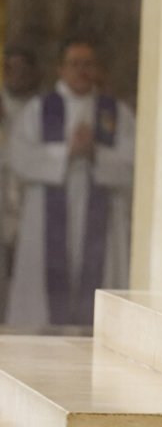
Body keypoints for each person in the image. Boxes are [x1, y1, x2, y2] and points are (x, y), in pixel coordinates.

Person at [6, 37, 135, 328]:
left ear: (98, 69)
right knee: (43, 285)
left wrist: (96, 153)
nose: (81, 71)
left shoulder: (115, 113)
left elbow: (133, 164)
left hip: (101, 208)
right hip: (45, 212)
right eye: (74, 64)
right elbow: (20, 157)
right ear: (60, 70)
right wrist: (67, 152)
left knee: (98, 274)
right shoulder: (39, 109)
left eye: (88, 64)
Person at [0, 44, 41, 312]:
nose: (17, 74)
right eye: (10, 68)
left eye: (22, 69)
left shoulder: (43, 108)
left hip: (31, 198)